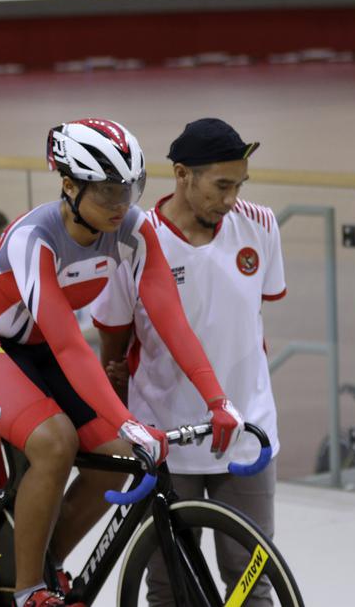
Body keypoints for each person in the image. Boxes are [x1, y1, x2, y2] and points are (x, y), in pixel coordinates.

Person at [0, 119, 243, 607]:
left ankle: (41, 560)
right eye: (107, 192)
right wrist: (127, 418)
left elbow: (171, 319)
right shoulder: (34, 237)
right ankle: (28, 591)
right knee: (55, 442)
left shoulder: (133, 229)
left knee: (118, 458)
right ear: (69, 185)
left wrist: (218, 398)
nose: (121, 205)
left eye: (130, 189)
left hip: (35, 346)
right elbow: (69, 346)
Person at [91, 118, 282, 606]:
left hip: (247, 432)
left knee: (251, 583)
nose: (231, 199)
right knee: (169, 585)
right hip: (166, 439)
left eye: (239, 185)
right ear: (181, 174)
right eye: (221, 185)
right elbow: (112, 339)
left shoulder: (261, 225)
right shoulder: (133, 240)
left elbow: (251, 314)